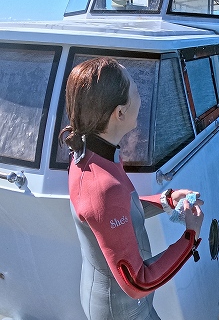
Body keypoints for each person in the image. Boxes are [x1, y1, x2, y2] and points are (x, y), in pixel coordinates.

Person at [60, 57, 204, 320]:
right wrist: (191, 236)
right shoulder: (103, 186)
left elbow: (120, 211)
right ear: (120, 113)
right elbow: (138, 283)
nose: (141, 97)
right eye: (136, 91)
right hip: (123, 311)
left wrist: (166, 200)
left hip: (113, 302)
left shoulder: (89, 153)